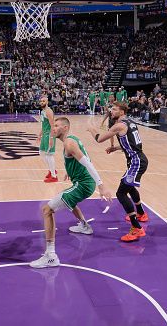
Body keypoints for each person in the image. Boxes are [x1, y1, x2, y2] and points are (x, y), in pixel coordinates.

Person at [29, 117, 112, 268]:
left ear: (65, 128)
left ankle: (51, 256)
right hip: (81, 182)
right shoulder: (71, 140)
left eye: (56, 125)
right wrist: (70, 171)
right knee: (68, 200)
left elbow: (87, 163)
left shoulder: (69, 143)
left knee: (47, 210)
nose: (53, 128)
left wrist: (102, 185)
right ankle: (84, 226)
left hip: (84, 184)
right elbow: (81, 158)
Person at [88, 102, 149, 242]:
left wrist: (90, 128)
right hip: (138, 160)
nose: (111, 111)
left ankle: (136, 228)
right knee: (129, 186)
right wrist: (115, 148)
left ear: (122, 112)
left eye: (114, 109)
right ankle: (141, 214)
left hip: (136, 162)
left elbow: (99, 139)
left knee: (121, 193)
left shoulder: (119, 125)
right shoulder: (130, 123)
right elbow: (133, 144)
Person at [38, 96, 57, 183]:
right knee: (41, 152)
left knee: (49, 155)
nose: (42, 102)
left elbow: (52, 125)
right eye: (41, 101)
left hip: (49, 135)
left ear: (47, 102)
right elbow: (43, 125)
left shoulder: (49, 111)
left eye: (43, 101)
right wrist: (39, 135)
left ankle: (54, 176)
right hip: (44, 135)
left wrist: (51, 138)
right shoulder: (42, 111)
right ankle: (51, 169)